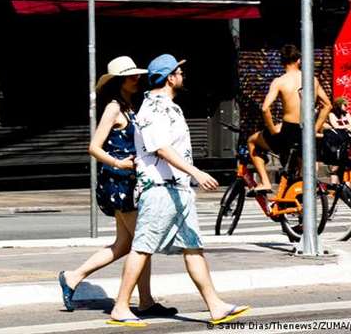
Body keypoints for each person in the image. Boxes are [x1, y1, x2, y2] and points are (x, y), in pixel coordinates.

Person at [108, 54, 249, 327]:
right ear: (170, 77)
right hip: (159, 189)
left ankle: (215, 306)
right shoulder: (154, 109)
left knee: (193, 247)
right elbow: (160, 147)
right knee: (142, 248)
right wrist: (196, 172)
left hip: (178, 190)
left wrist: (189, 180)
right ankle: (121, 306)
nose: (183, 76)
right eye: (179, 72)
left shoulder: (171, 107)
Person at [57, 56, 176, 317]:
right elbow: (93, 147)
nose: (138, 79)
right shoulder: (113, 108)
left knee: (124, 244)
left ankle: (73, 277)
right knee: (143, 243)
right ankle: (143, 301)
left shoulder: (129, 106)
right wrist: (118, 163)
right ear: (120, 81)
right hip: (119, 184)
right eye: (132, 76)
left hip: (129, 183)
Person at [247, 44, 331, 194]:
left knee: (252, 141)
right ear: (299, 60)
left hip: (289, 132)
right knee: (300, 159)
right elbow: (327, 105)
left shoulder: (279, 82)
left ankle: (265, 183)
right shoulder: (312, 80)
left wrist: (272, 130)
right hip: (306, 130)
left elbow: (265, 108)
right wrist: (315, 129)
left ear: (281, 62)